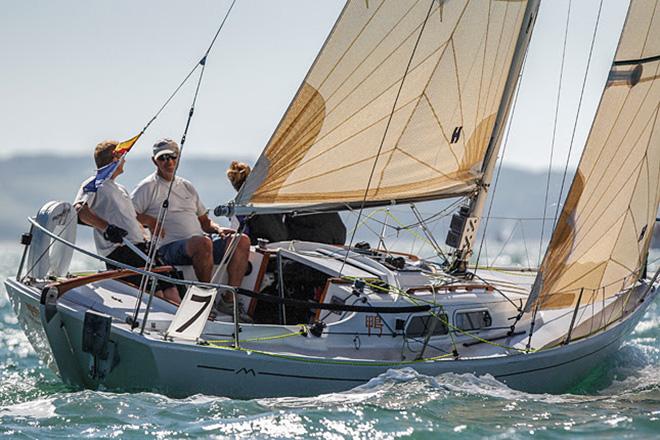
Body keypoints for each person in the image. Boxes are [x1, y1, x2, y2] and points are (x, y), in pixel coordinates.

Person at [131, 139, 251, 318]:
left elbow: (205, 222)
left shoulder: (187, 186)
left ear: (178, 158)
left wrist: (218, 229)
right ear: (154, 161)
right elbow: (129, 214)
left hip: (200, 243)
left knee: (241, 240)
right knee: (202, 243)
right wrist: (149, 220)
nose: (168, 162)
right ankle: (205, 300)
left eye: (172, 157)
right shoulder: (147, 187)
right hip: (167, 249)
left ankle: (228, 300)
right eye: (163, 158)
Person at [74, 140, 180, 304]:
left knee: (171, 290)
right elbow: (80, 210)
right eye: (123, 155)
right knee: (156, 295)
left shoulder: (120, 189)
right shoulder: (95, 183)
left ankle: (180, 328)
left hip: (142, 248)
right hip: (122, 250)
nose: (126, 160)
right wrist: (107, 228)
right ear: (115, 157)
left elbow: (129, 219)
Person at [226, 161, 288, 245]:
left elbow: (238, 240)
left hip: (259, 252)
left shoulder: (237, 208)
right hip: (284, 247)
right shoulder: (271, 200)